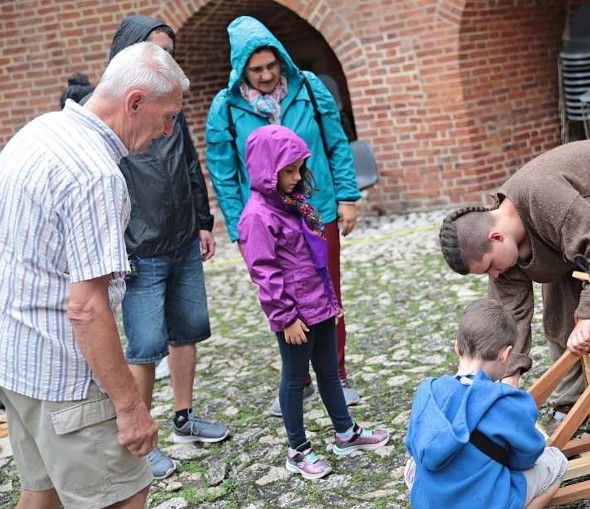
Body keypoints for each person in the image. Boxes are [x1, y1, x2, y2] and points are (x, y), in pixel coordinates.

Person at [0, 41, 187, 509]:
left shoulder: (41, 130)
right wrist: (130, 406)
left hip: (12, 360)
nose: (168, 131)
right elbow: (86, 307)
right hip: (63, 377)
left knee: (42, 496)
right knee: (123, 496)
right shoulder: (95, 175)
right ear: (134, 102)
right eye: (168, 116)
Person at [438, 139, 590, 428]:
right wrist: (509, 377)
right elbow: (508, 313)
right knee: (562, 316)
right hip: (570, 232)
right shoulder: (504, 252)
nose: (495, 275)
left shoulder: (544, 196)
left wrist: (589, 316)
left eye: (490, 266)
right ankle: (573, 398)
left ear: (496, 237)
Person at [205, 15, 362, 416]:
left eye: (271, 66)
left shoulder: (308, 88)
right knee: (282, 293)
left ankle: (336, 375)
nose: (265, 75)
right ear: (241, 69)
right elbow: (224, 173)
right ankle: (301, 381)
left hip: (316, 207)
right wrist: (241, 229)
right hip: (265, 219)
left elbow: (336, 143)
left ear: (281, 60)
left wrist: (347, 196)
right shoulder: (225, 108)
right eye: (255, 69)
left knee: (326, 293)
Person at [106, 15, 230, 480]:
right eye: (156, 51)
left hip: (182, 240)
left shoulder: (168, 109)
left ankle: (183, 418)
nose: (165, 61)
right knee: (145, 347)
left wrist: (202, 221)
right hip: (141, 250)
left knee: (188, 331)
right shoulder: (118, 112)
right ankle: (140, 440)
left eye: (169, 52)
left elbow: (189, 165)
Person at [238, 124, 389, 479]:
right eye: (287, 170)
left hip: (318, 306)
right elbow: (265, 273)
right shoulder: (257, 217)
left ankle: (345, 432)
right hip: (295, 317)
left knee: (328, 371)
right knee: (294, 378)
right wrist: (285, 317)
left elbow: (317, 259)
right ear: (266, 170)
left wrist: (331, 301)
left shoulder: (295, 206)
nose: (295, 177)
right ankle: (297, 449)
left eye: (298, 169)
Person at [405, 298, 568, 509]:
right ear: (505, 354)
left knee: (412, 466)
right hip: (486, 502)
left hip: (428, 501)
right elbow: (526, 458)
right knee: (558, 462)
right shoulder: (506, 401)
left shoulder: (427, 391)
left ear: (457, 347)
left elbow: (413, 445)